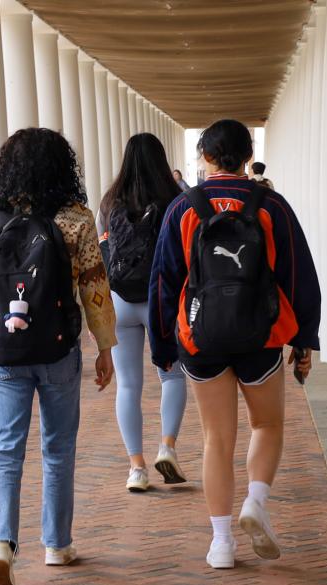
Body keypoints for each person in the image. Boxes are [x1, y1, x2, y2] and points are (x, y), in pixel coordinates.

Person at [149, 119, 320, 570]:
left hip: (200, 335)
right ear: (248, 156)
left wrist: (162, 343)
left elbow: (164, 281)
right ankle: (256, 502)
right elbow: (298, 274)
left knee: (215, 438)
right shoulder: (272, 206)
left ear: (204, 156)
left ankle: (221, 543)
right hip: (260, 334)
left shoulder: (183, 208)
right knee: (267, 425)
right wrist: (304, 337)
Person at [0, 128, 117, 585]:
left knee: (5, 448)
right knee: (58, 447)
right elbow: (94, 287)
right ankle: (56, 543)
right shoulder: (75, 218)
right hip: (57, 349)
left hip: (4, 352)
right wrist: (105, 347)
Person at [97, 134, 188, 492]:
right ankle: (167, 447)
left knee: (129, 384)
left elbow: (102, 256)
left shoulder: (109, 202)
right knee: (172, 376)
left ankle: (136, 468)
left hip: (120, 301)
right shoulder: (174, 200)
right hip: (161, 299)